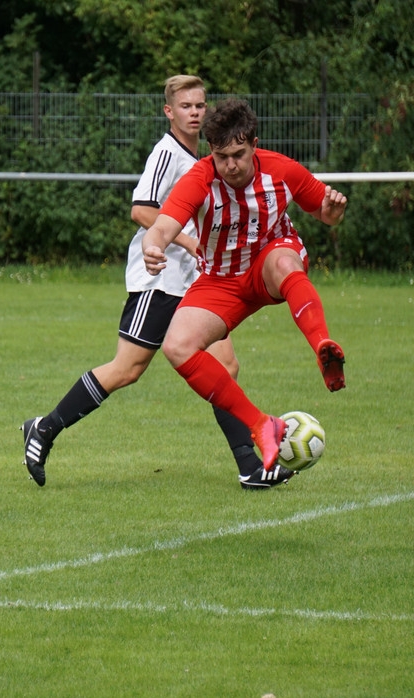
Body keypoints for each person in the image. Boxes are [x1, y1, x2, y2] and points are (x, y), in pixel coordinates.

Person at [21, 76, 294, 490]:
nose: (195, 112)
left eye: (201, 105)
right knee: (127, 369)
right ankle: (44, 428)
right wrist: (187, 240)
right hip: (160, 279)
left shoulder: (210, 157)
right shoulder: (166, 154)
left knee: (226, 365)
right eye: (186, 106)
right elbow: (141, 210)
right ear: (170, 112)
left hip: (196, 283)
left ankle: (250, 466)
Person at [142, 98, 348, 474]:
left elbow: (324, 211)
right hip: (220, 280)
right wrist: (152, 245)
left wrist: (332, 213)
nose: (230, 165)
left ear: (255, 143)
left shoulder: (281, 170)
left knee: (285, 262)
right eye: (222, 157)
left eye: (238, 154)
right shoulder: (200, 179)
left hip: (268, 262)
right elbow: (161, 226)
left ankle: (322, 345)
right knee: (177, 347)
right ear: (211, 152)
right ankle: (261, 425)